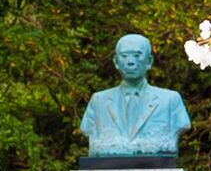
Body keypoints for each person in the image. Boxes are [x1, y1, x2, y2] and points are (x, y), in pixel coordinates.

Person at [78, 33, 191, 161]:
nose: (131, 62)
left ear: (149, 61)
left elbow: (182, 125)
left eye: (137, 56)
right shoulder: (98, 102)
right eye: (124, 56)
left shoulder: (170, 101)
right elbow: (87, 129)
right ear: (116, 61)